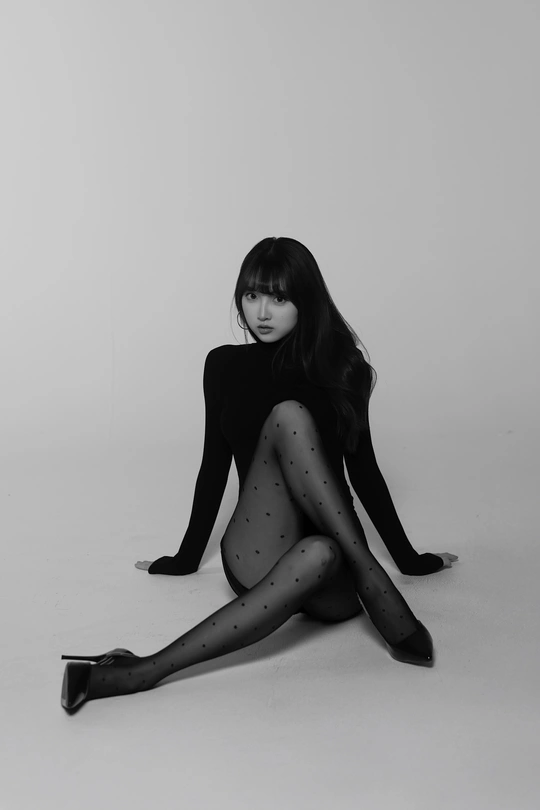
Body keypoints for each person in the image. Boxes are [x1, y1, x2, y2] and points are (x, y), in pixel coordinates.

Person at [61, 236, 458, 713]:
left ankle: (134, 668)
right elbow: (213, 464)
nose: (262, 312)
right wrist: (185, 558)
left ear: (306, 301)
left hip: (333, 568)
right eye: (252, 296)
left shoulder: (344, 368)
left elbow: (365, 472)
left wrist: (411, 560)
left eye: (279, 298)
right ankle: (143, 674)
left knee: (320, 549)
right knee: (288, 415)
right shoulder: (223, 365)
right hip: (259, 549)